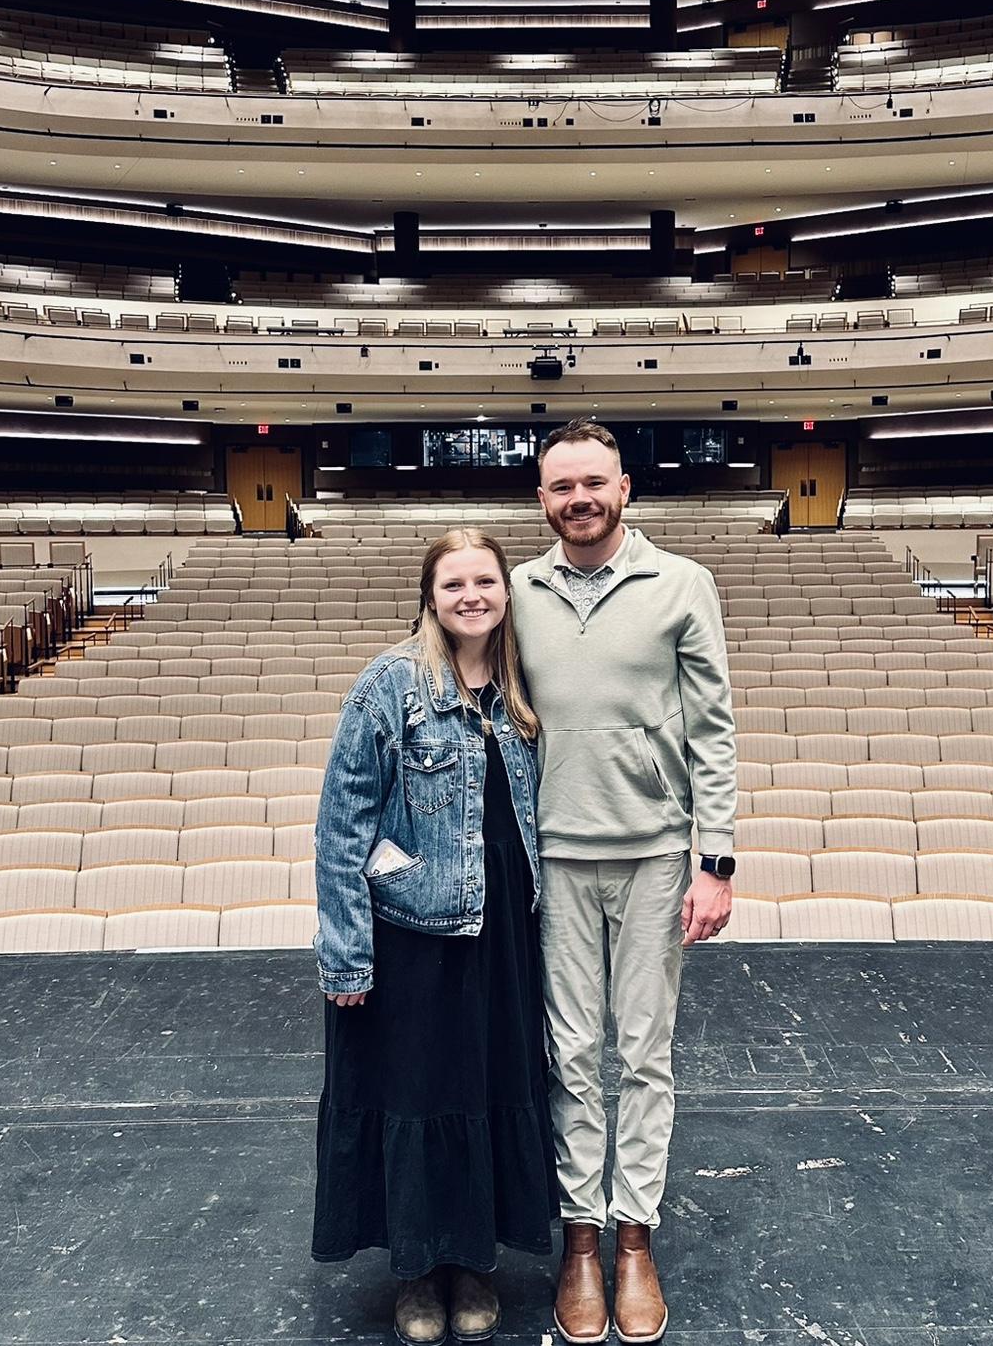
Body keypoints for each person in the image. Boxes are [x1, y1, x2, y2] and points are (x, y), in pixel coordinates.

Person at [512, 419, 738, 1346]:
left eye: (594, 483)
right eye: (562, 486)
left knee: (644, 1056)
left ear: (625, 488)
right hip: (552, 857)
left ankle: (635, 1239)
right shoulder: (516, 589)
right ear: (542, 498)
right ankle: (580, 1240)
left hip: (653, 854)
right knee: (569, 1058)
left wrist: (714, 860)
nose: (580, 499)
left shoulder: (683, 583)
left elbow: (713, 729)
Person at [312, 528, 560, 1346]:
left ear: (504, 590)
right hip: (412, 932)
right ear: (431, 596)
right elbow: (341, 827)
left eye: (485, 581)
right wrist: (346, 951)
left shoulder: (524, 685)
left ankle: (473, 1260)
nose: (471, 596)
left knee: (486, 1091)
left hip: (502, 934)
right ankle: (417, 1270)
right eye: (453, 584)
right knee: (417, 1098)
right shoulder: (390, 684)